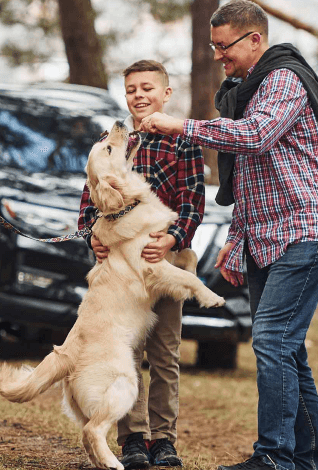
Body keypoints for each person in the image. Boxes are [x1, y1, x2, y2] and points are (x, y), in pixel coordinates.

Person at [140, 2, 318, 470]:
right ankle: (311, 460)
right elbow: (255, 173)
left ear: (255, 40)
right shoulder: (245, 89)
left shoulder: (284, 80)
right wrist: (239, 238)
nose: (217, 56)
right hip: (266, 232)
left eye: (224, 45)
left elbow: (255, 136)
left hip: (306, 227)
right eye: (213, 46)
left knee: (271, 339)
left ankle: (273, 456)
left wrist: (182, 125)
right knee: (287, 348)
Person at [78, 60, 205, 470]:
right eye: (132, 89)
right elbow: (89, 198)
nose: (139, 95)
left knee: (165, 353)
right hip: (120, 270)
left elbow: (192, 200)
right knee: (126, 351)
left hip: (166, 261)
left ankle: (163, 440)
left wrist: (173, 238)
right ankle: (133, 438)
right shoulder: (111, 143)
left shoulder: (183, 142)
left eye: (147, 88)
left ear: (166, 93)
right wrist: (92, 236)